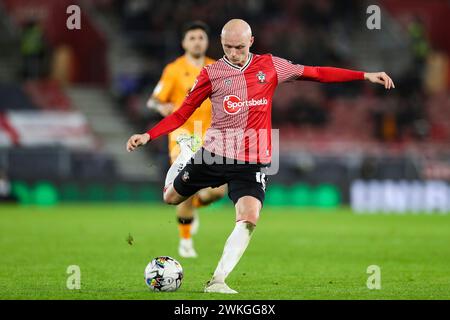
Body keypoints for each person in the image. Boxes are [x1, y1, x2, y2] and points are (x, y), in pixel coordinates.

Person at [127, 19, 395, 294]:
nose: (233, 53)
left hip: (253, 160)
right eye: (228, 47)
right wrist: (149, 135)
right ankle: (185, 158)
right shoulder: (211, 73)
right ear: (221, 44)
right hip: (214, 154)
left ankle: (218, 280)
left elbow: (316, 73)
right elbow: (183, 112)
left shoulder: (271, 65)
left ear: (251, 41)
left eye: (240, 47)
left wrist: (364, 75)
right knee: (171, 198)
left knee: (249, 217)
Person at [146, 21, 227, 258]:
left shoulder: (217, 68)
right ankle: (185, 240)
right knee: (187, 187)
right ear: (184, 43)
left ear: (207, 41)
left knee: (217, 192)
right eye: (192, 38)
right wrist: (162, 108)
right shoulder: (173, 69)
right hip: (183, 136)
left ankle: (195, 208)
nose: (197, 41)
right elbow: (153, 100)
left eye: (200, 37)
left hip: (213, 136)